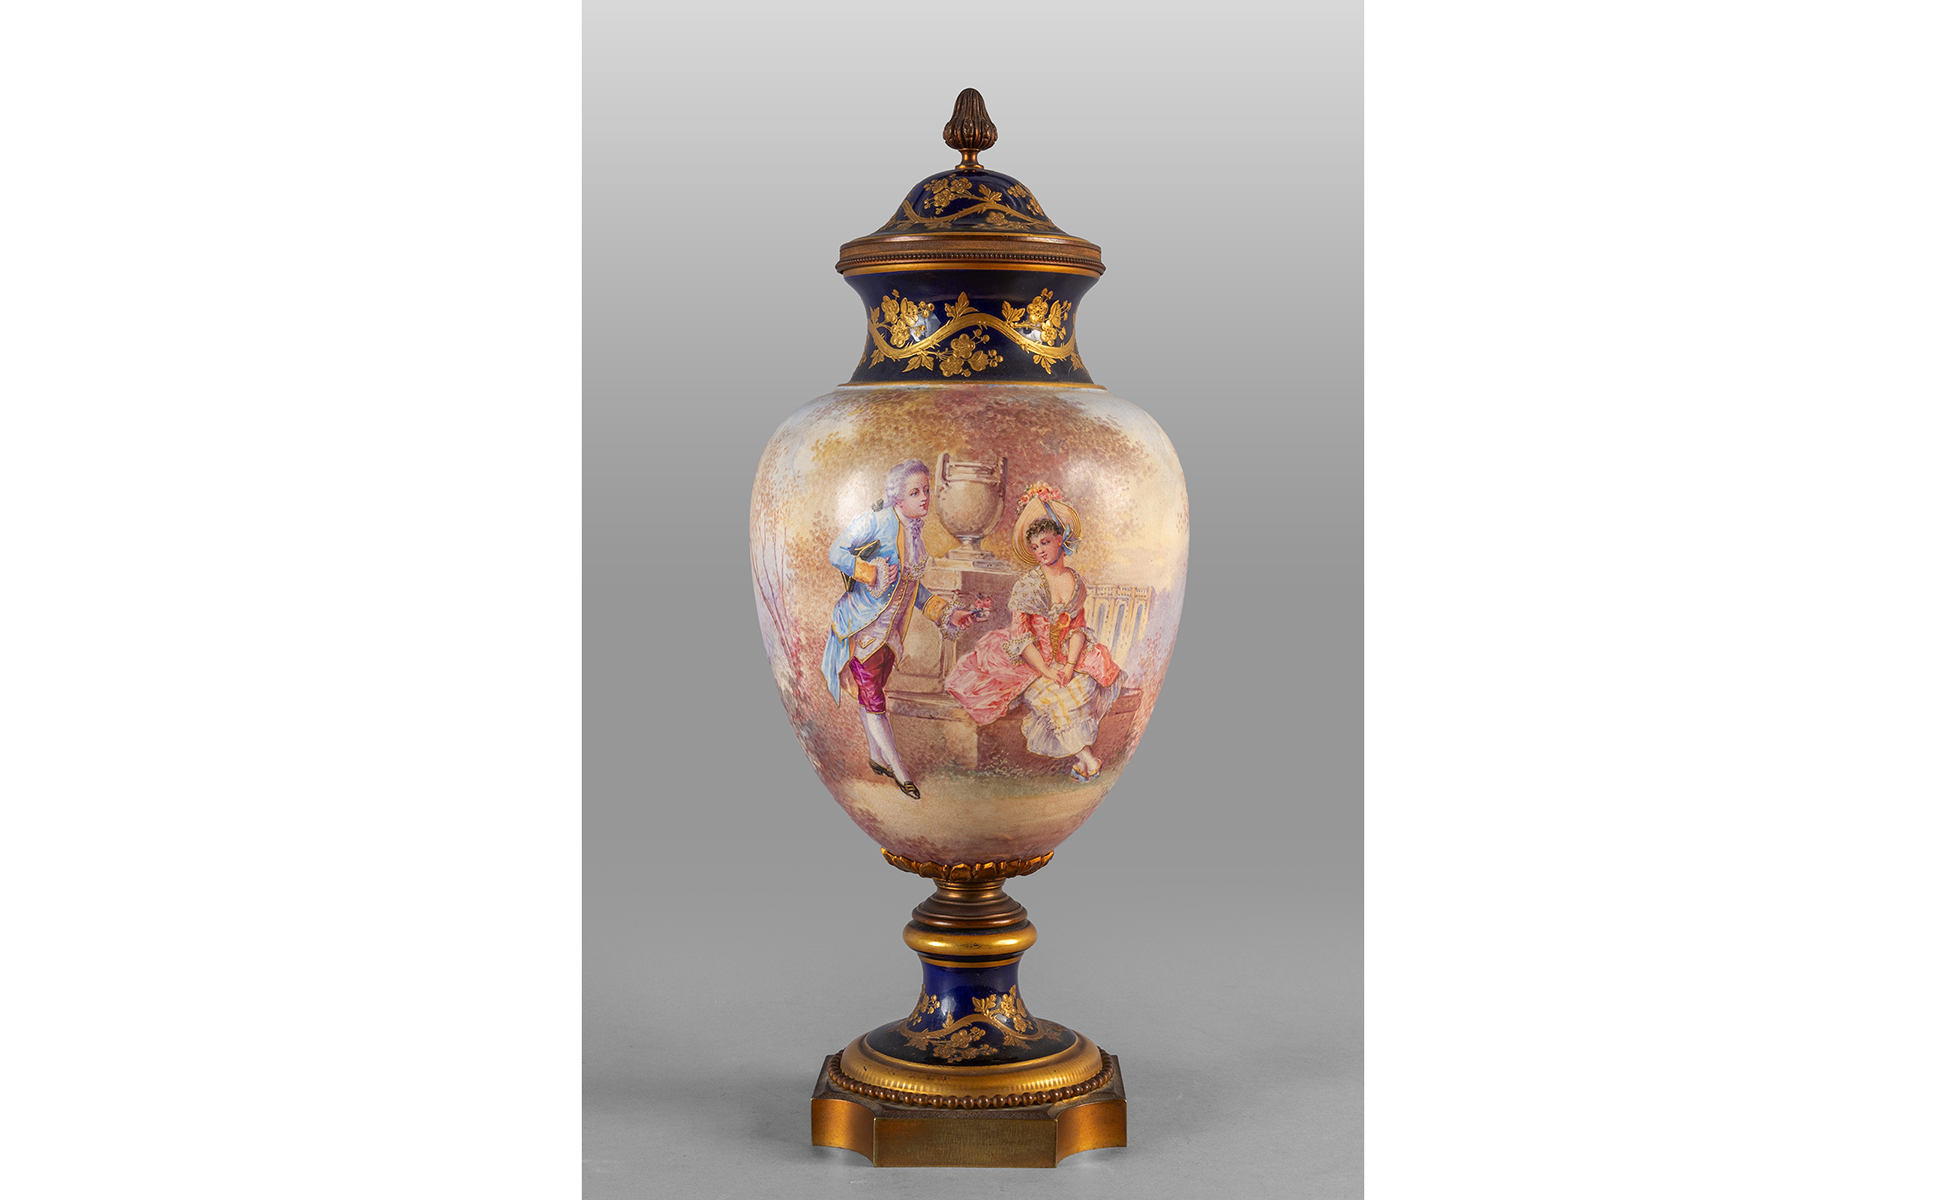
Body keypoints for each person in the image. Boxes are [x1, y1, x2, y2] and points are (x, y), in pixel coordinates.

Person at [821, 459, 981, 800]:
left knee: (872, 692)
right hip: (863, 628)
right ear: (897, 498)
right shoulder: (876, 522)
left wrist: (946, 613)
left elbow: (914, 589)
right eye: (915, 492)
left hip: (891, 634)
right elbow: (837, 552)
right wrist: (870, 573)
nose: (924, 498)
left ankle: (876, 757)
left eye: (926, 490)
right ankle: (899, 770)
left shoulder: (916, 534)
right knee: (874, 698)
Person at [943, 485, 1122, 780]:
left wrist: (1068, 666)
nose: (1040, 551)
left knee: (1082, 686)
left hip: (1066, 658)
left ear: (1060, 540)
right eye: (1035, 547)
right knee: (1053, 696)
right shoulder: (1028, 586)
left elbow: (1078, 629)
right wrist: (1047, 670)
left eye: (1045, 543)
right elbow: (1022, 638)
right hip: (1030, 660)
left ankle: (1085, 762)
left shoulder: (1075, 582)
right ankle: (1089, 761)